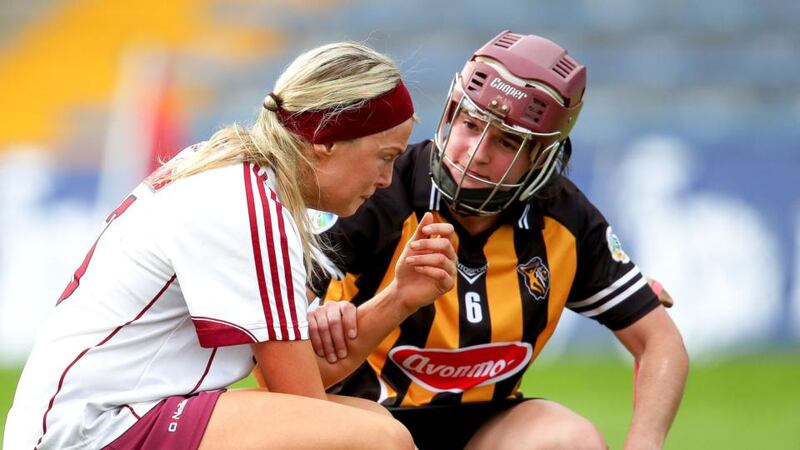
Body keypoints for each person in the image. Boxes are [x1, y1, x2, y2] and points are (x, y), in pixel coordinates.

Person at [3, 41, 458, 450]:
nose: (384, 180)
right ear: (326, 140)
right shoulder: (245, 206)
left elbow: (306, 384)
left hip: (102, 418)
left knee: (371, 421)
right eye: (384, 157)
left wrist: (399, 298)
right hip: (93, 429)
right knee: (376, 437)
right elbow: (306, 403)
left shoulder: (242, 180)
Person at [307, 31, 689, 450]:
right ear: (451, 112)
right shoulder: (379, 190)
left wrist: (644, 444)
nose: (476, 153)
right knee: (388, 440)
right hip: (367, 413)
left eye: (507, 141)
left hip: (487, 424)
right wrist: (314, 317)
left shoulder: (565, 220)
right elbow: (285, 359)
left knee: (572, 439)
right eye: (470, 124)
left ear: (539, 157)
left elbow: (660, 342)